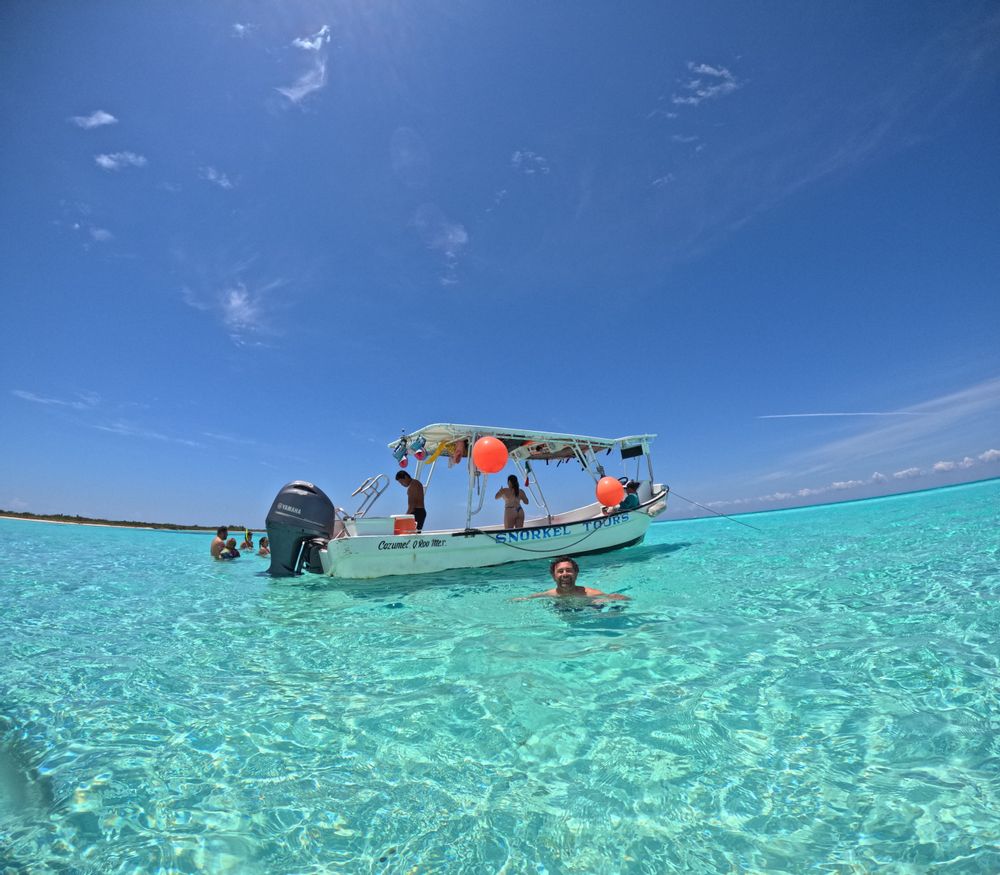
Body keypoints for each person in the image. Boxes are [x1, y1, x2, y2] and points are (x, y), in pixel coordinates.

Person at [517, 556, 630, 601]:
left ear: (576, 574)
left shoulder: (591, 594)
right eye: (560, 571)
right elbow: (526, 599)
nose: (565, 574)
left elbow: (621, 599)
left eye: (569, 570)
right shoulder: (548, 595)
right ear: (553, 576)